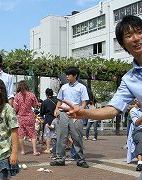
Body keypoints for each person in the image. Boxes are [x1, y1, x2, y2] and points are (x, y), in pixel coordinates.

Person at [61, 15, 142, 168]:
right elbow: (112, 109)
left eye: (139, 32)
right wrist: (83, 112)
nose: (136, 38)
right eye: (129, 35)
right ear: (124, 45)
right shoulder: (129, 79)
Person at [50, 66, 90, 168]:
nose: (67, 76)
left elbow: (85, 101)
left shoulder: (81, 87)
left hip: (75, 114)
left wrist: (80, 112)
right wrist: (56, 109)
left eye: (69, 75)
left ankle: (80, 159)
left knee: (77, 137)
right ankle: (60, 158)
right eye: (66, 74)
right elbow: (59, 100)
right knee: (61, 136)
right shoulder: (64, 87)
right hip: (63, 113)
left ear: (75, 75)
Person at [13, 80, 40, 155]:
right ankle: (34, 151)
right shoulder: (31, 95)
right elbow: (35, 105)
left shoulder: (17, 96)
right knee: (33, 134)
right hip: (30, 117)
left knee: (21, 134)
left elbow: (15, 108)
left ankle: (22, 151)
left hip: (20, 117)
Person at [40, 88, 58, 154]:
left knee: (48, 135)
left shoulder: (45, 102)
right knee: (56, 134)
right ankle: (56, 148)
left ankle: (48, 149)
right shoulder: (56, 101)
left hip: (48, 119)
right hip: (56, 119)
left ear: (46, 94)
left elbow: (42, 112)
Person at [127, 99, 142, 171]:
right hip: (138, 131)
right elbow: (136, 123)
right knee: (140, 139)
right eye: (136, 100)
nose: (137, 100)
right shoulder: (133, 110)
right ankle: (140, 163)